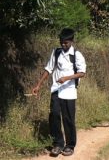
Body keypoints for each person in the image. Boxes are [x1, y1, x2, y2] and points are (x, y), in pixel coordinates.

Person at [32, 28, 86, 157]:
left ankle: (70, 145)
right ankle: (58, 143)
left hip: (69, 92)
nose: (63, 44)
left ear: (72, 41)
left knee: (68, 119)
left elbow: (82, 73)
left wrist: (67, 78)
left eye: (66, 42)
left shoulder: (76, 55)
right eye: (61, 42)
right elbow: (48, 69)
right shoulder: (56, 52)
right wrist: (38, 85)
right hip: (56, 89)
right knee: (54, 115)